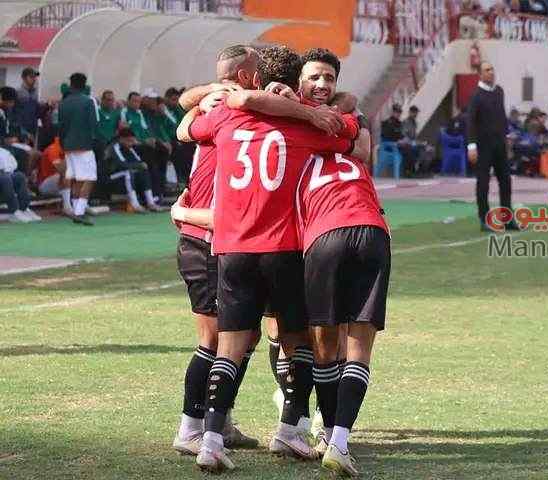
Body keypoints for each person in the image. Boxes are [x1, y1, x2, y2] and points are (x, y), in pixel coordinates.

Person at [179, 44, 359, 472]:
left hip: (232, 248)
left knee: (230, 344)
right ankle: (290, 430)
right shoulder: (300, 127)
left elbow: (188, 129)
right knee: (297, 340)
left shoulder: (226, 117)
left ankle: (210, 441)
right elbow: (349, 135)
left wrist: (213, 99)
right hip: (282, 247)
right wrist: (311, 111)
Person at [295, 47, 389, 477]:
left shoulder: (296, 135)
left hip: (322, 236)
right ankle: (339, 443)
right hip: (371, 229)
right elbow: (364, 144)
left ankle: (314, 425)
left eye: (328, 78)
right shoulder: (348, 131)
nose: (322, 85)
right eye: (315, 77)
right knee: (359, 347)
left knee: (323, 346)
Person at [170, 45, 264, 459]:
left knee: (245, 335)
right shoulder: (229, 111)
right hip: (204, 237)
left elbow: (184, 118)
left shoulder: (219, 108)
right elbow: (185, 111)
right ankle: (190, 427)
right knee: (213, 339)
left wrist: (200, 99)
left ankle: (218, 417)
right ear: (245, 77)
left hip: (226, 238)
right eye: (258, 73)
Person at [466, 61, 517, 231]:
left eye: (492, 69)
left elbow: (502, 116)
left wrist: (507, 139)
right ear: (480, 74)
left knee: (505, 181)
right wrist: (471, 146)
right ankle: (484, 219)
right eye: (487, 70)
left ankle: (507, 219)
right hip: (483, 146)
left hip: (500, 144)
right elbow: (471, 121)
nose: (491, 72)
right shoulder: (476, 96)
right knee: (483, 183)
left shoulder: (499, 91)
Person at [58, 73, 98, 225]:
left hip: (68, 145)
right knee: (89, 178)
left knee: (76, 179)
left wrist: (64, 144)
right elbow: (93, 124)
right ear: (84, 84)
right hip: (84, 145)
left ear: (71, 84)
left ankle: (76, 210)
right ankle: (79, 212)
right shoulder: (88, 101)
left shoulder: (63, 103)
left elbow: (61, 126)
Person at [121, 91, 169, 200]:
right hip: (132, 144)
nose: (136, 104)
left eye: (138, 101)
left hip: (143, 143)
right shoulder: (124, 112)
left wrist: (152, 139)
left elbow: (145, 130)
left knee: (163, 151)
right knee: (150, 156)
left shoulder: (140, 114)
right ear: (128, 101)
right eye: (134, 101)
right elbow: (124, 131)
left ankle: (161, 189)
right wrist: (141, 141)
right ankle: (154, 193)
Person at [106, 127, 166, 213]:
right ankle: (135, 205)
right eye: (129, 141)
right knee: (128, 173)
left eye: (132, 141)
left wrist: (141, 165)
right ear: (121, 139)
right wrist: (138, 165)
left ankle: (151, 203)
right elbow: (122, 165)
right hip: (113, 177)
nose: (131, 143)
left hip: (128, 176)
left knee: (144, 172)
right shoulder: (115, 147)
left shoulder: (130, 148)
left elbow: (138, 161)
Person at [0, 147, 41, 222]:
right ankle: (14, 211)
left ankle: (23, 209)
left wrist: (5, 171)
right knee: (5, 178)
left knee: (19, 176)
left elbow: (13, 164)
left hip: (5, 178)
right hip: (3, 179)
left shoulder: (3, 151)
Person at [15, 67, 41, 141]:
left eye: (35, 77)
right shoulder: (17, 93)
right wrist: (23, 132)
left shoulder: (36, 93)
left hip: (33, 131)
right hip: (20, 132)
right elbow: (13, 116)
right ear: (23, 78)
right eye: (31, 77)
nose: (34, 79)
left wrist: (47, 106)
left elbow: (37, 113)